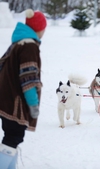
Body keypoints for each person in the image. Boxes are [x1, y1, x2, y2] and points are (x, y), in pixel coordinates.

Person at [0, 9, 46, 169]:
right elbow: (28, 79)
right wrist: (33, 104)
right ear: (39, 29)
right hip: (15, 104)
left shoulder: (17, 43)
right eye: (43, 28)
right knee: (13, 138)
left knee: (11, 138)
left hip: (6, 101)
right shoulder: (29, 47)